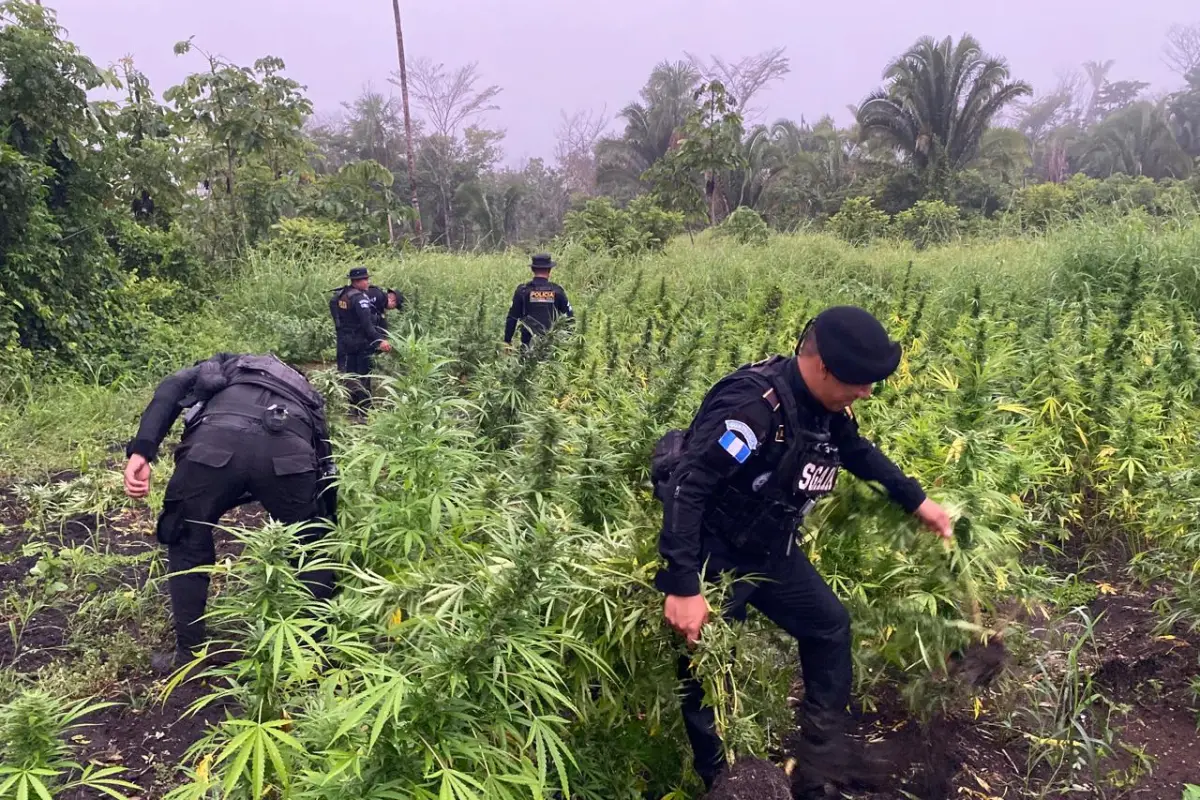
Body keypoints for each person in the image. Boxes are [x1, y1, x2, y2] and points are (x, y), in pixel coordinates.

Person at [650, 305, 953, 793]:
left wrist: (918, 502)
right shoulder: (752, 409)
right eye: (859, 381)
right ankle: (724, 783)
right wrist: (683, 585)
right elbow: (690, 488)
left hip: (771, 550)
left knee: (830, 628)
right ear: (824, 368)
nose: (866, 392)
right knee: (709, 673)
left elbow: (856, 451)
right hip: (714, 556)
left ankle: (820, 763)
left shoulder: (825, 406)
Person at [122, 353, 338, 672]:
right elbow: (324, 464)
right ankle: (315, 657)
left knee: (185, 537)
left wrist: (142, 450)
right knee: (310, 548)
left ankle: (190, 656)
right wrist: (323, 525)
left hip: (212, 446)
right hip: (288, 453)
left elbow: (170, 388)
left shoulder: (226, 364)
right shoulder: (302, 389)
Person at [330, 267, 390, 415]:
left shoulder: (342, 294)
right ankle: (365, 410)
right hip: (361, 342)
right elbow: (367, 325)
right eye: (365, 279)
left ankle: (352, 408)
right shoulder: (360, 298)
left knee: (351, 375)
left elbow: (334, 308)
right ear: (357, 281)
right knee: (364, 376)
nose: (368, 282)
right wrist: (380, 340)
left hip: (346, 341)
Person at [503, 253, 573, 348]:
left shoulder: (523, 291)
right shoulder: (557, 291)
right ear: (549, 270)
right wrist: (568, 343)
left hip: (528, 346)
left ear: (532, 269)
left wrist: (507, 341)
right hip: (551, 346)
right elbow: (570, 318)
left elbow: (512, 318)